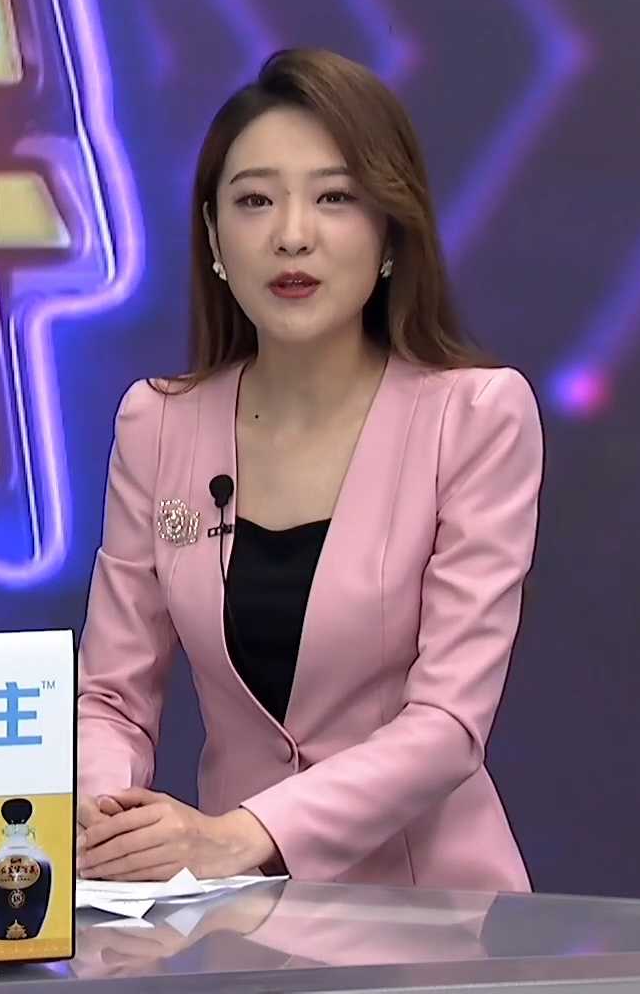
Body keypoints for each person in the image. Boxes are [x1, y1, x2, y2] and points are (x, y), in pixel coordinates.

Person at [74, 48, 543, 891]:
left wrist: (240, 836)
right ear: (214, 238)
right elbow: (110, 698)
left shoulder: (475, 416)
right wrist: (113, 824)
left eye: (335, 198)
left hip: (434, 918)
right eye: (255, 200)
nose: (292, 234)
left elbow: (447, 723)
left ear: (391, 232)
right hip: (235, 921)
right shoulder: (158, 423)